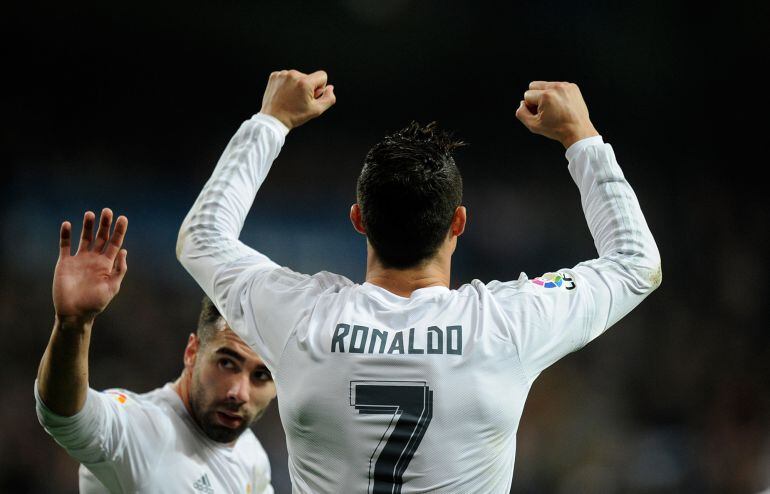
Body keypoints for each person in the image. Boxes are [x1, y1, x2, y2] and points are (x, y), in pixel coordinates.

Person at [177, 69, 662, 493]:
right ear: (459, 223)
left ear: (358, 219)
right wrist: (581, 136)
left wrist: (271, 120)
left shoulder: (303, 318)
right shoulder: (504, 325)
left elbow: (202, 238)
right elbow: (635, 262)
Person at [36, 209, 277, 493]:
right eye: (226, 363)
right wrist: (73, 324)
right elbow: (64, 415)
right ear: (192, 352)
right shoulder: (140, 430)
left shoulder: (251, 456)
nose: (239, 392)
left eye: (261, 375)